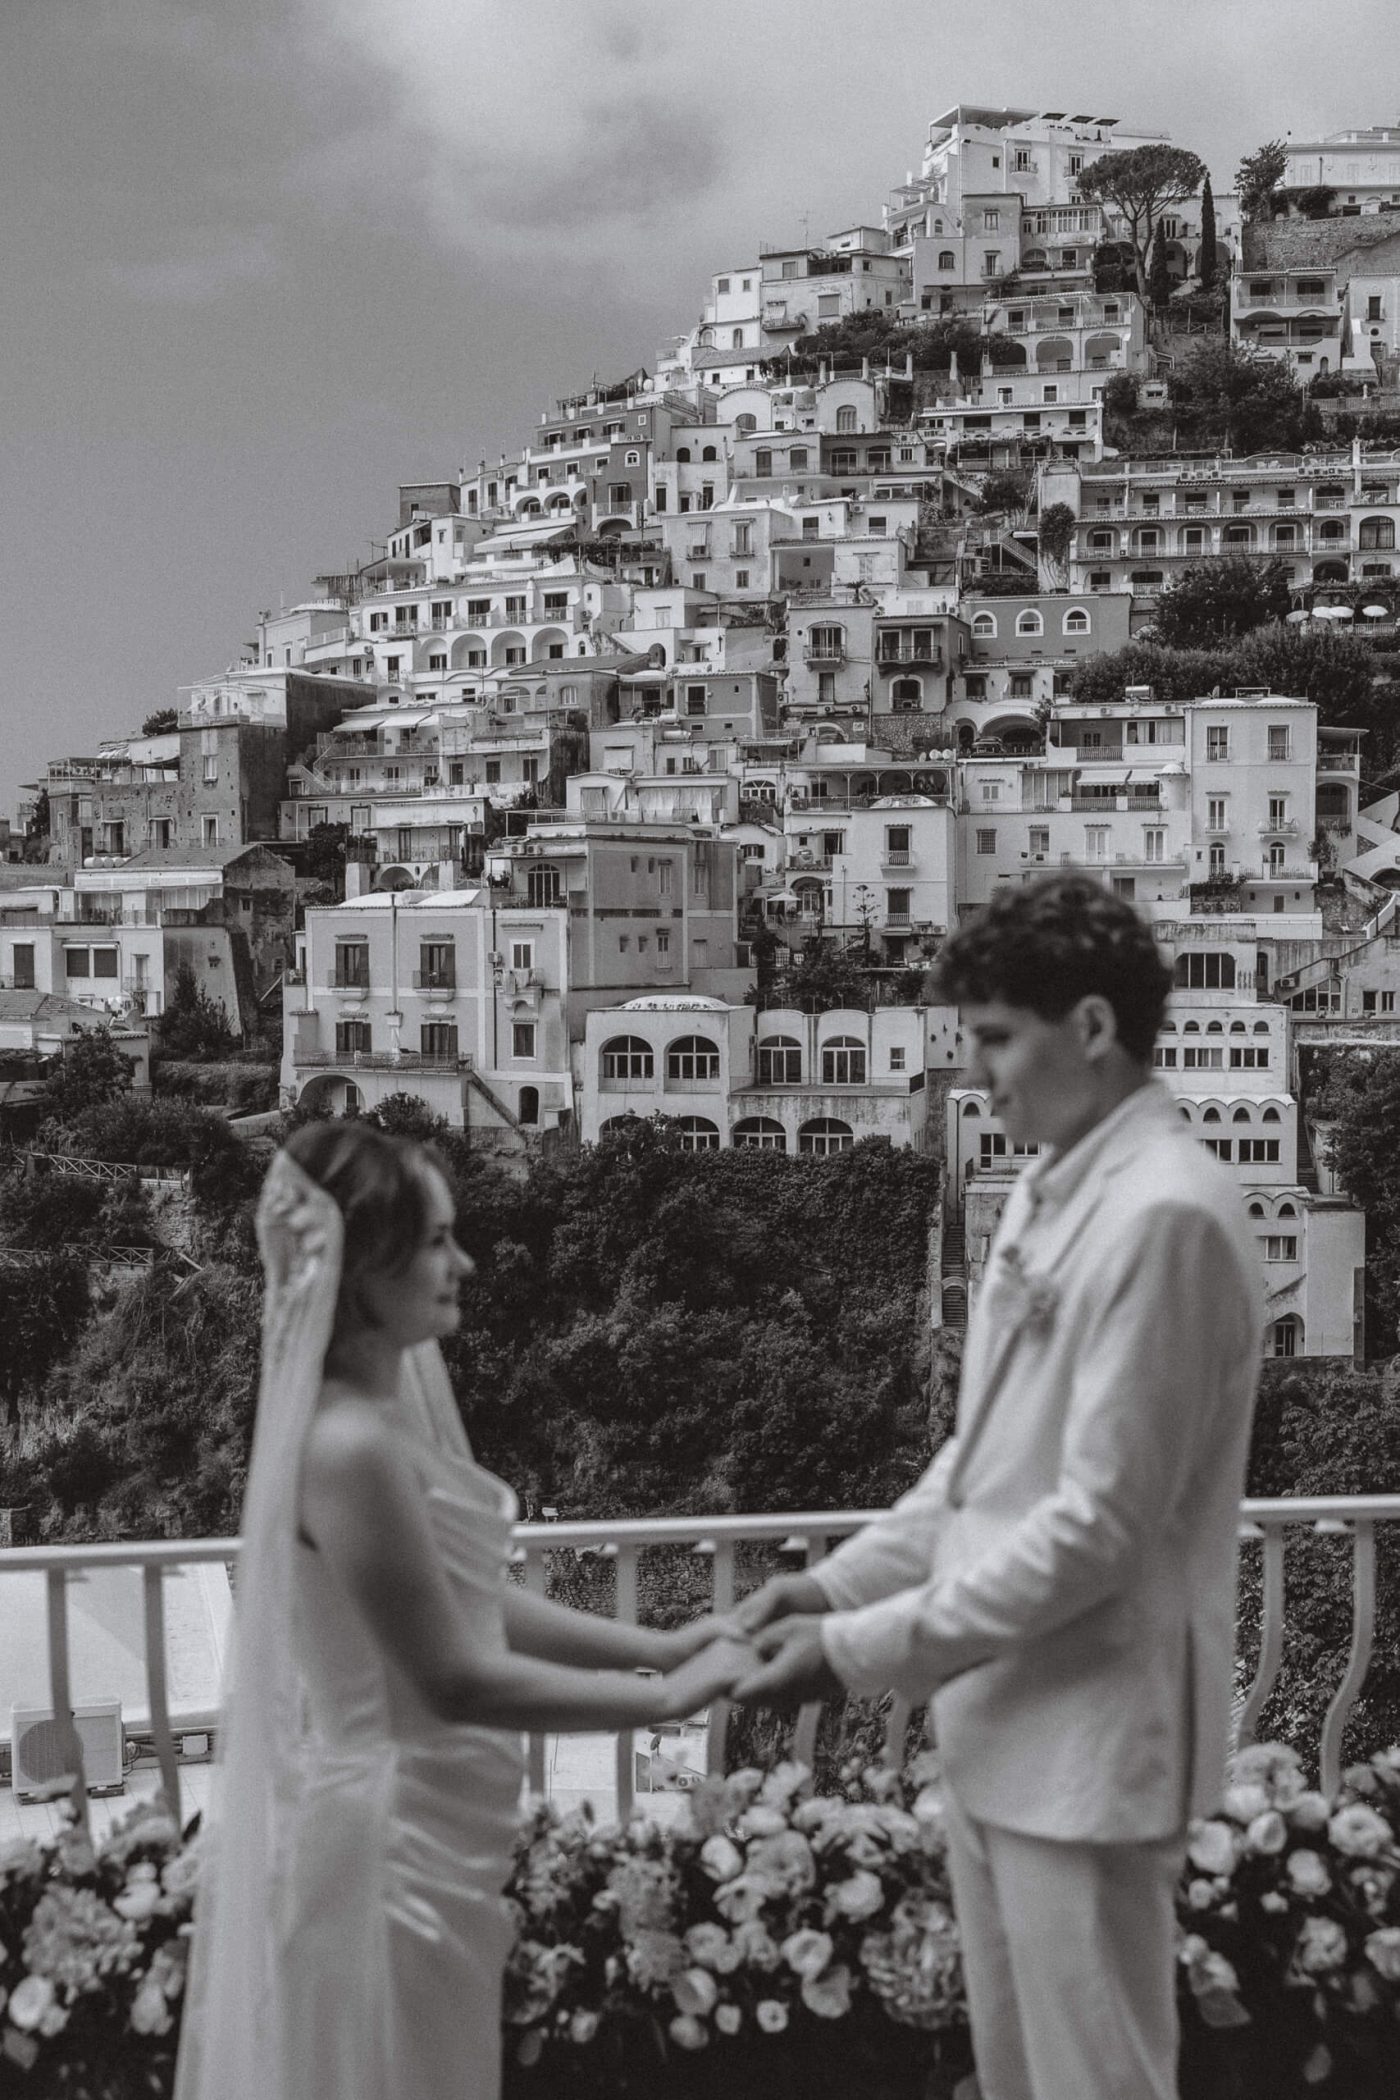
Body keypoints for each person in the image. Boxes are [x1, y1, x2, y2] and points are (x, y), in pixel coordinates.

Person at [730, 876, 1263, 2100]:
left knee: (1096, 2080)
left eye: (996, 1039)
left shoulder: (1167, 1216)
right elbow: (979, 1464)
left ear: (1091, 1027)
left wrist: (853, 1651)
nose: (974, 1075)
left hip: (1093, 1740)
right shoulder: (1042, 1185)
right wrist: (833, 1587)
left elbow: (1097, 1528)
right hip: (998, 1724)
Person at [175, 1121, 751, 2100]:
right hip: (386, 1842)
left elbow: (475, 1604)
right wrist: (666, 1700)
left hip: (433, 1831)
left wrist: (662, 1645)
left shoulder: (373, 1427)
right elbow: (453, 1677)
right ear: (365, 1266)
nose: (465, 1263)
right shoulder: (348, 1447)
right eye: (439, 1240)